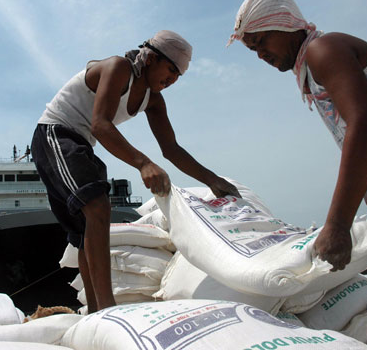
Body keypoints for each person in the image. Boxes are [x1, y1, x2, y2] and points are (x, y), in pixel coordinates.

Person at [228, 0, 367, 348]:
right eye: (252, 49)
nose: (260, 55)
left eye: (261, 42)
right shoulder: (312, 68)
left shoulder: (324, 50)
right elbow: (363, 126)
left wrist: (338, 225)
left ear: (285, 23)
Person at [31, 30, 240, 313]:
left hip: (81, 143)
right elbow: (100, 125)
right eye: (170, 70)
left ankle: (95, 311)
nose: (172, 80)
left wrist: (213, 180)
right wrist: (143, 163)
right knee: (96, 205)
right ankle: (107, 306)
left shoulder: (153, 101)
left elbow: (172, 149)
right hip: (55, 134)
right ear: (152, 58)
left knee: (85, 231)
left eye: (178, 76)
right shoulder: (119, 68)